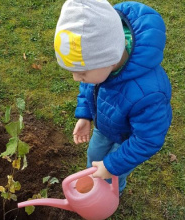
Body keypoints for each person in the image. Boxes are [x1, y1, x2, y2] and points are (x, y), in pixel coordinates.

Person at [54, 0, 172, 194]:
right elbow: (90, 85)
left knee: (114, 174)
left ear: (109, 59)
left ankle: (111, 195)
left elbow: (147, 139)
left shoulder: (149, 93)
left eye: (82, 73)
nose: (77, 78)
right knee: (94, 158)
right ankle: (95, 180)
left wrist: (111, 167)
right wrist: (85, 115)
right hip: (104, 127)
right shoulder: (100, 68)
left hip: (128, 139)